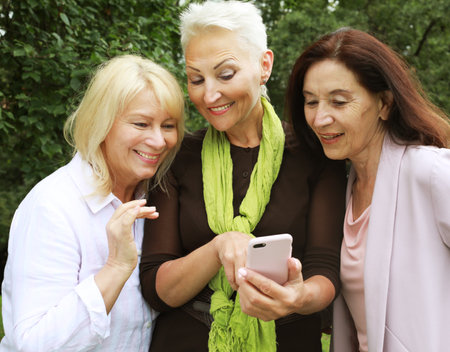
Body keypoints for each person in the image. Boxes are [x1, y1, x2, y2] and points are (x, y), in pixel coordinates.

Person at [139, 1, 347, 351]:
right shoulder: (176, 157)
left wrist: (299, 296)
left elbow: (325, 267)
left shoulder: (314, 155)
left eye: (225, 74)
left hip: (289, 339)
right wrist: (218, 248)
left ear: (264, 65)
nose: (209, 95)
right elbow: (156, 287)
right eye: (196, 79)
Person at [0, 54, 185, 351]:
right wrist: (115, 267)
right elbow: (34, 344)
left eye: (168, 125)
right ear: (102, 122)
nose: (159, 141)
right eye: (141, 123)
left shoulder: (157, 198)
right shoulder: (53, 206)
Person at [286, 27, 450, 352]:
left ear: (385, 104)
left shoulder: (430, 172)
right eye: (311, 102)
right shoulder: (346, 187)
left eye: (339, 101)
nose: (319, 118)